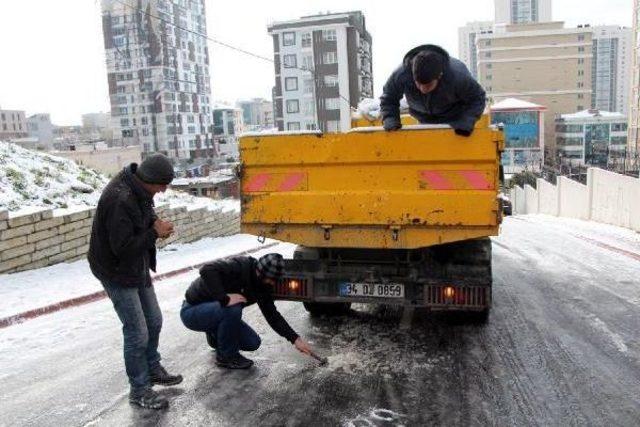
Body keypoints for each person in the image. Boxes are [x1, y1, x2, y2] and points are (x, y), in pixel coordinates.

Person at [88, 153, 183, 410]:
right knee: (137, 331)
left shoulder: (138, 187)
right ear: (150, 180)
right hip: (116, 270)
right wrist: (154, 232)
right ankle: (139, 390)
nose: (163, 191)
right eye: (162, 185)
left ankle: (152, 368)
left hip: (135, 265)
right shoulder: (120, 199)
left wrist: (154, 223)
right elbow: (123, 248)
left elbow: (145, 211)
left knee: (154, 320)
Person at [180, 253, 315, 369]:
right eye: (271, 280)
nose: (273, 283)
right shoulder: (239, 266)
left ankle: (215, 334)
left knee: (252, 343)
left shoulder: (263, 286)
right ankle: (226, 357)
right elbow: (206, 270)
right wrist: (224, 298)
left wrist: (295, 339)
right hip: (192, 311)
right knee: (233, 308)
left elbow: (272, 316)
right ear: (260, 273)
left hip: (213, 312)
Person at [380, 44, 486, 136]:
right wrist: (391, 119)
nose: (422, 90)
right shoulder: (401, 74)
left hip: (454, 116)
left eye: (428, 85)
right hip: (422, 117)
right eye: (418, 84)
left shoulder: (458, 76)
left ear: (439, 76)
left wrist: (465, 122)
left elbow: (477, 98)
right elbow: (389, 98)